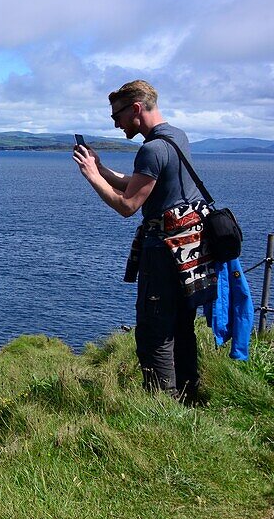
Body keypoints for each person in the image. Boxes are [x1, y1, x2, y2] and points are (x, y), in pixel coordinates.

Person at [72, 80, 215, 404]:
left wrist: (91, 176)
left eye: (117, 115)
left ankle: (162, 407)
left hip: (163, 252)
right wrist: (101, 167)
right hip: (189, 251)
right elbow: (139, 183)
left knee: (154, 332)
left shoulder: (151, 149)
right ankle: (189, 397)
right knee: (181, 326)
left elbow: (127, 205)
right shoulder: (175, 136)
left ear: (136, 108)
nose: (115, 122)